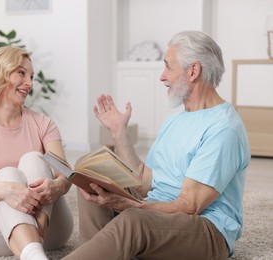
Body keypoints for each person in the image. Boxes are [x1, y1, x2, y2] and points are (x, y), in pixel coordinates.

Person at [63, 31, 250, 260]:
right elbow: (144, 182)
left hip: (206, 229)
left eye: (168, 67)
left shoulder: (223, 129)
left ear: (193, 71)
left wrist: (130, 206)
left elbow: (189, 206)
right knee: (90, 171)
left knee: (133, 221)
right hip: (160, 212)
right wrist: (119, 132)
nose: (162, 76)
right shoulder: (176, 120)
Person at [0, 46, 73, 260]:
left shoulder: (43, 123)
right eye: (21, 73)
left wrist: (57, 186)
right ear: (0, 72)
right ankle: (34, 253)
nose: (30, 83)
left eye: (31, 76)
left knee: (33, 158)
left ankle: (34, 244)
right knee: (9, 175)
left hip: (51, 226)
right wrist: (8, 191)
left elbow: (66, 174)